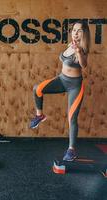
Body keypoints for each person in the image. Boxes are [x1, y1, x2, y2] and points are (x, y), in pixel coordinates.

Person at [30, 20, 90, 161]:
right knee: (37, 89)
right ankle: (40, 115)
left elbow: (84, 64)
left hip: (75, 86)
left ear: (84, 33)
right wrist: (73, 48)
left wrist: (79, 52)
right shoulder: (70, 45)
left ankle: (71, 150)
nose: (75, 33)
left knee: (72, 118)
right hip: (62, 80)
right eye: (74, 30)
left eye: (79, 30)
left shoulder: (82, 48)